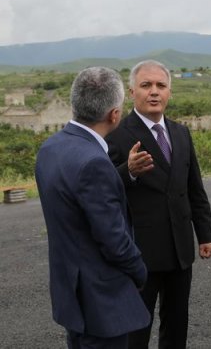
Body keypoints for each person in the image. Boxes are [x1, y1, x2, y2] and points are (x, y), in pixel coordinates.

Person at [35, 67, 150, 349]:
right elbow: (114, 240)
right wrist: (139, 271)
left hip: (71, 293)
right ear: (114, 114)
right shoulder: (94, 163)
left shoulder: (50, 148)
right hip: (100, 300)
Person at [106, 59, 211, 349]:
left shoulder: (180, 133)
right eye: (146, 85)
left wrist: (205, 234)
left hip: (179, 250)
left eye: (161, 85)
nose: (154, 92)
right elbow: (100, 191)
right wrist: (127, 171)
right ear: (132, 92)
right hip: (138, 252)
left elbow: (194, 187)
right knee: (136, 330)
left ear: (169, 92)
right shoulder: (116, 135)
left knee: (176, 325)